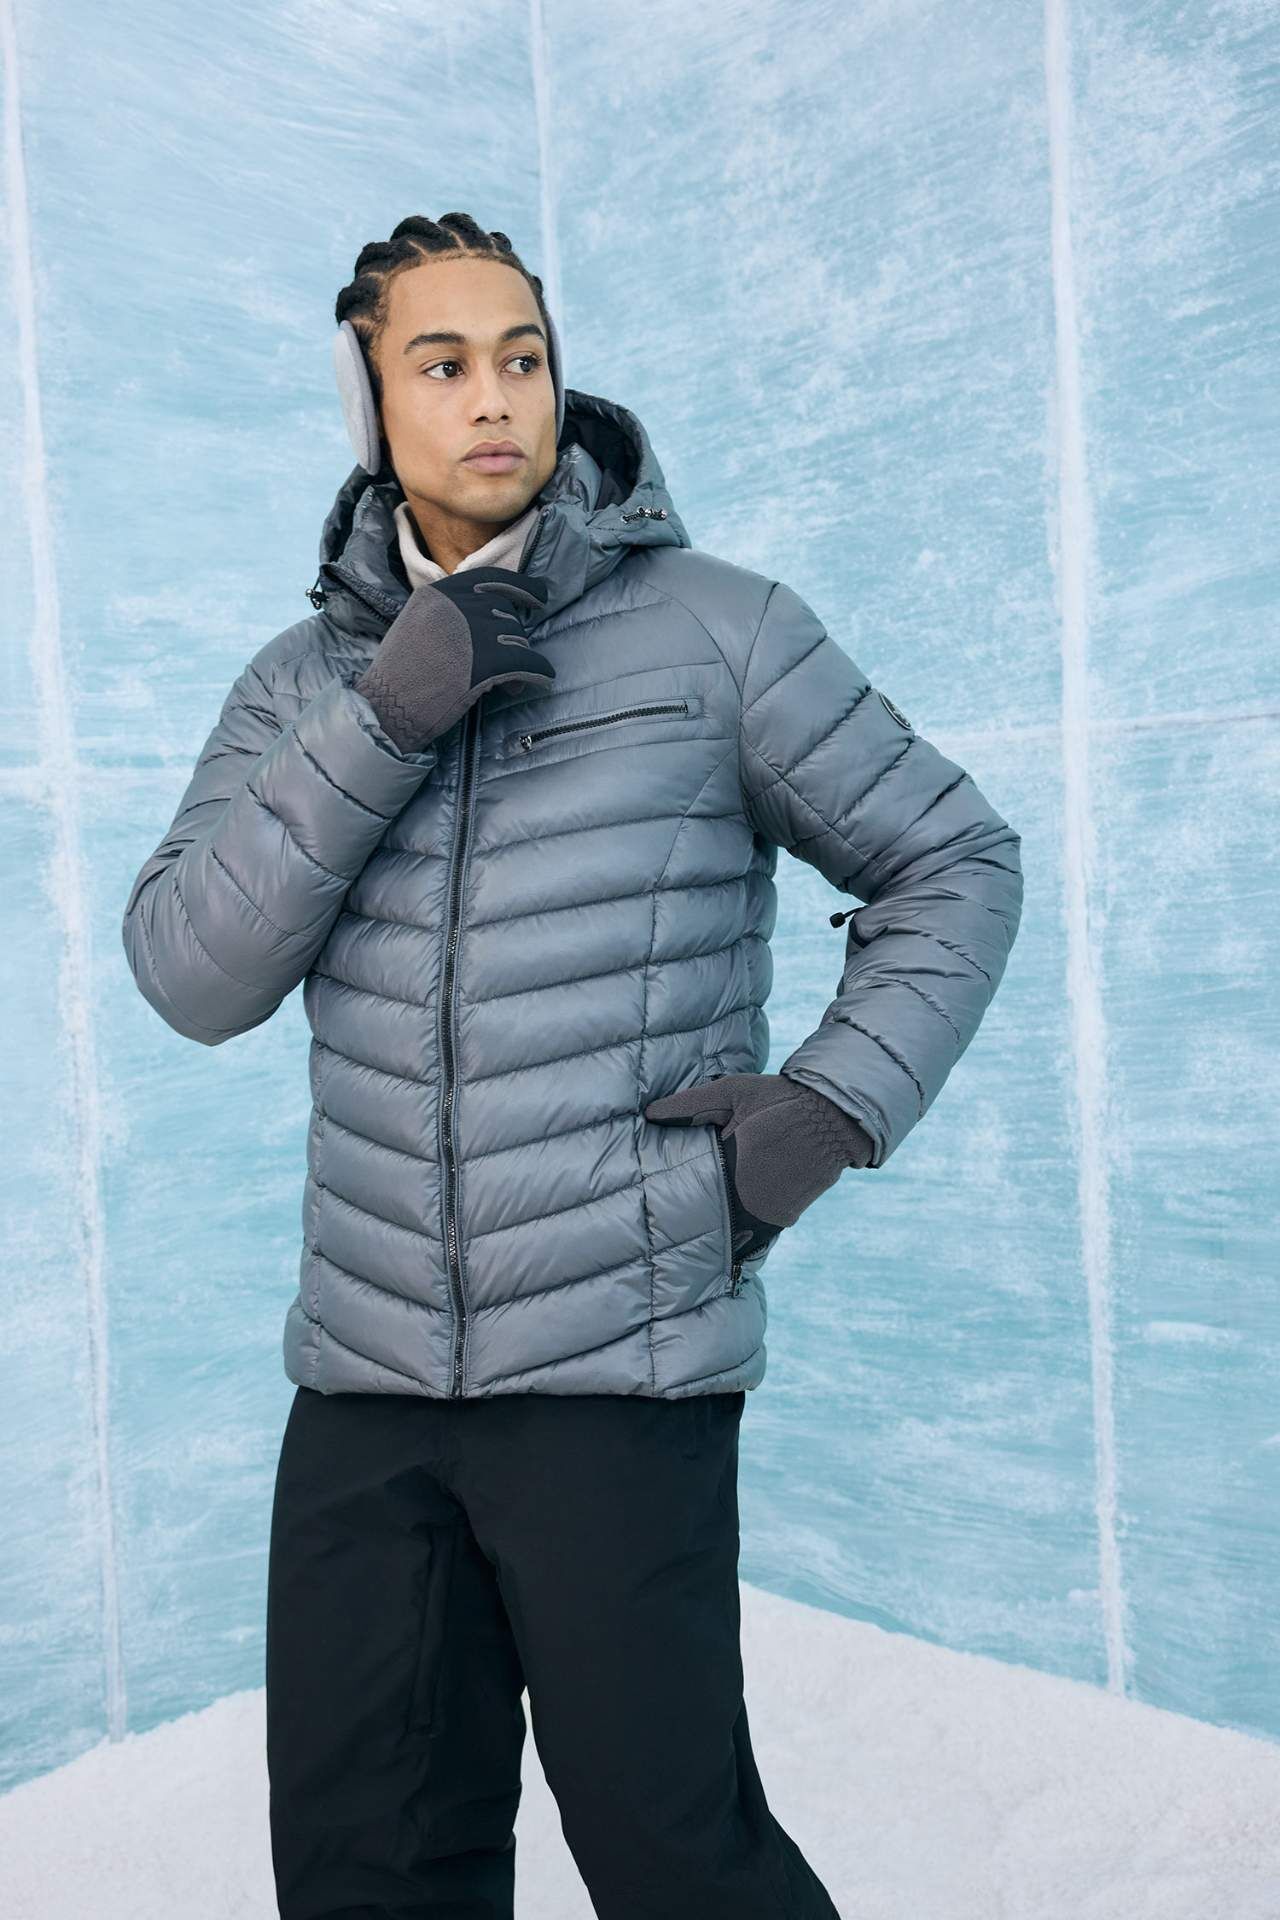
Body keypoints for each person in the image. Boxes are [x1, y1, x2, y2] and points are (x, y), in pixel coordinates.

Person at [121, 211, 1023, 1919]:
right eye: (441, 363)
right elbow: (191, 972)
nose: (495, 398)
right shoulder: (299, 686)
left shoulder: (719, 635)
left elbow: (955, 860)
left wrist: (834, 1106)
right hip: (364, 1379)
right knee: (363, 1867)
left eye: (522, 358)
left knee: (680, 1863)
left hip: (621, 1358)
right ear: (368, 404)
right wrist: (387, 716)